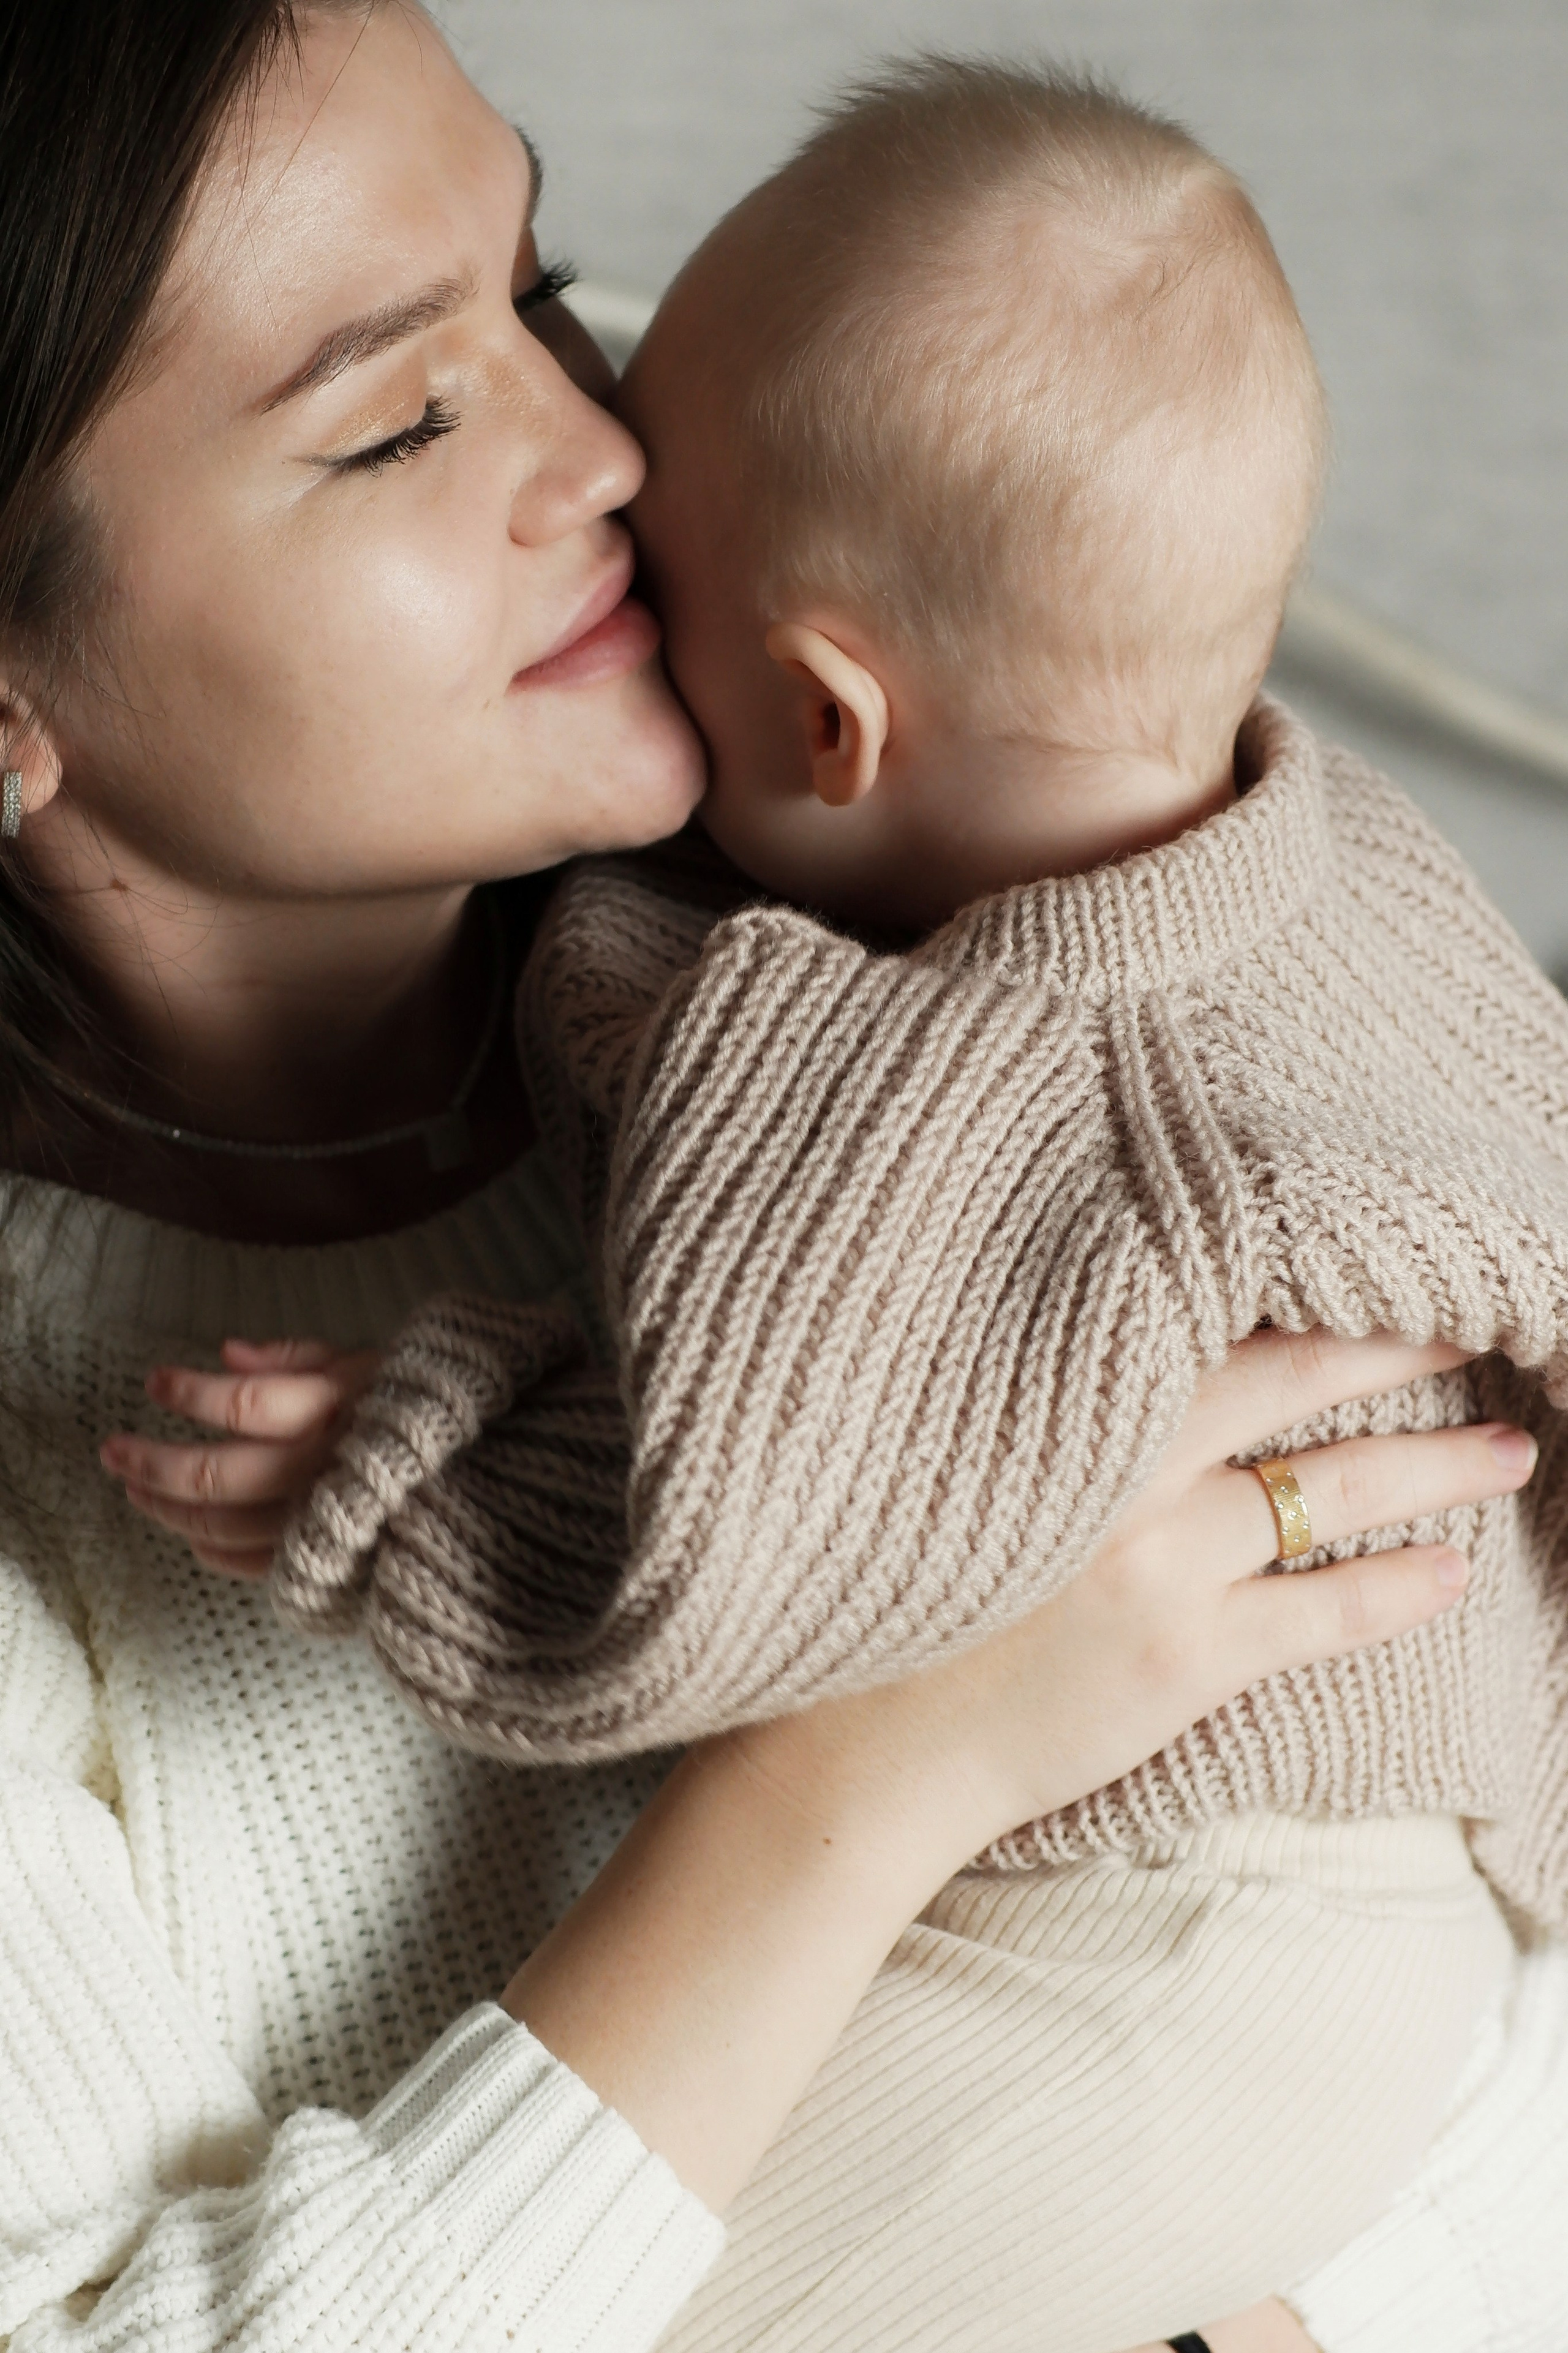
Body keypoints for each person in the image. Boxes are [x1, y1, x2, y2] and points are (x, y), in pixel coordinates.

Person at [0, 7, 1558, 2352]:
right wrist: (873, 1775)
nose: (602, 444)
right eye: (404, 416)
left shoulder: (992, 974)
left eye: (542, 292)